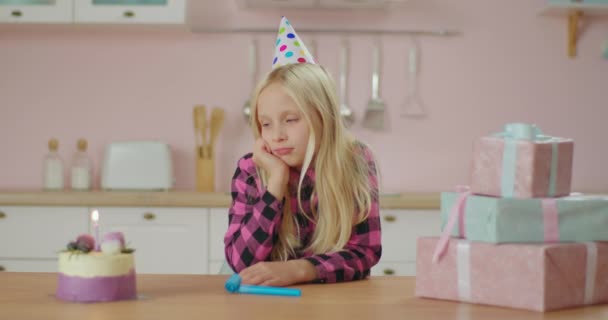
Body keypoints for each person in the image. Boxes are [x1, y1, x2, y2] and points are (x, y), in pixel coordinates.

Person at [224, 17, 381, 287]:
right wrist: (275, 183)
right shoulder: (251, 169)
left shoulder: (354, 158)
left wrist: (300, 269)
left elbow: (365, 251)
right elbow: (241, 263)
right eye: (266, 124)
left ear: (323, 116)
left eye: (291, 119)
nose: (277, 135)